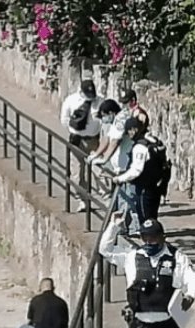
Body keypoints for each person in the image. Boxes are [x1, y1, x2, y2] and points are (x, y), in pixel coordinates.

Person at [95, 88, 149, 235]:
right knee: (122, 197)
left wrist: (104, 158)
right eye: (123, 103)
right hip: (123, 163)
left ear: (133, 101)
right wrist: (100, 156)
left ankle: (135, 228)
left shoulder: (139, 115)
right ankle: (126, 226)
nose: (125, 105)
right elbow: (110, 137)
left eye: (127, 102)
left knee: (130, 197)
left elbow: (117, 139)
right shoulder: (124, 115)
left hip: (130, 163)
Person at [113, 117, 169, 222]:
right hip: (156, 185)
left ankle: (150, 237)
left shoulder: (140, 146)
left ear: (134, 129)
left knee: (145, 218)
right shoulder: (152, 140)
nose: (128, 134)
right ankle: (155, 235)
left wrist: (120, 178)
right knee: (152, 216)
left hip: (144, 188)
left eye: (129, 131)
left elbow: (136, 170)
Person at [60, 79, 103, 212]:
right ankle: (82, 200)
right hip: (77, 140)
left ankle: (106, 198)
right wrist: (75, 131)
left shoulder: (100, 102)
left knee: (100, 170)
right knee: (78, 171)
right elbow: (64, 119)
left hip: (94, 140)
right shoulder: (71, 101)